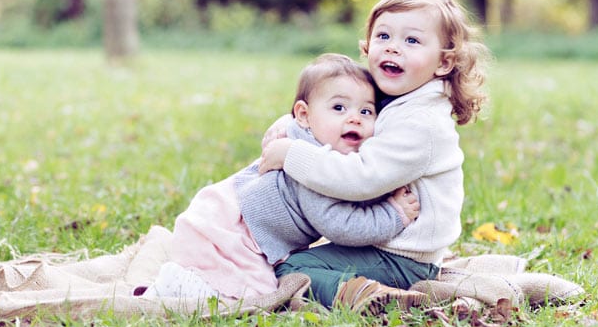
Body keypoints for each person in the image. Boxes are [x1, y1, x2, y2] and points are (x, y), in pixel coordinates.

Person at [258, 0, 490, 313]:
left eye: (411, 41)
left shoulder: (420, 124)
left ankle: (369, 296)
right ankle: (369, 289)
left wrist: (292, 154)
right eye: (383, 36)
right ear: (367, 46)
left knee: (292, 269)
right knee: (305, 260)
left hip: (401, 258)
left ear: (443, 62)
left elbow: (360, 178)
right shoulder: (400, 97)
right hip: (390, 245)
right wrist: (291, 125)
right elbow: (334, 108)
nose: (393, 48)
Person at [147, 54, 420, 303]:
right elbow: (340, 225)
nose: (354, 119)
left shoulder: (315, 141)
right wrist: (393, 215)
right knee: (241, 290)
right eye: (339, 108)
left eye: (366, 111)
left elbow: (355, 182)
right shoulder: (310, 167)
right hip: (236, 227)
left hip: (242, 216)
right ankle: (174, 286)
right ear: (304, 115)